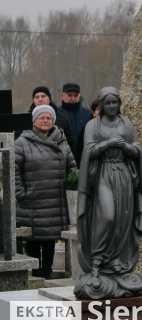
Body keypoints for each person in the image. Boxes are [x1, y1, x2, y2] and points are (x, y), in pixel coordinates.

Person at [74, 87, 142, 299]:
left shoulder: (126, 125)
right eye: (108, 103)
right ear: (101, 105)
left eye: (115, 103)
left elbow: (136, 149)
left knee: (121, 220)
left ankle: (115, 261)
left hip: (123, 175)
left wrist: (126, 147)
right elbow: (88, 150)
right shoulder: (92, 125)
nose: (112, 107)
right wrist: (107, 144)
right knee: (107, 216)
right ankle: (96, 263)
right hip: (103, 174)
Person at [15, 104, 77, 279]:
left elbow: (72, 168)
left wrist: (71, 191)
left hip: (55, 201)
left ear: (53, 120)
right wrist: (21, 193)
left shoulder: (61, 141)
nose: (45, 120)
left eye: (48, 118)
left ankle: (48, 272)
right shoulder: (22, 142)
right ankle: (35, 273)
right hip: (31, 201)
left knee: (50, 239)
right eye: (41, 117)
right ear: (34, 121)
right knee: (34, 240)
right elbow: (13, 171)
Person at [57, 82, 93, 166]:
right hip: (63, 156)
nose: (73, 98)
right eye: (70, 95)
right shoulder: (56, 114)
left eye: (75, 95)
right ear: (62, 96)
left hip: (84, 156)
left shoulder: (87, 113)